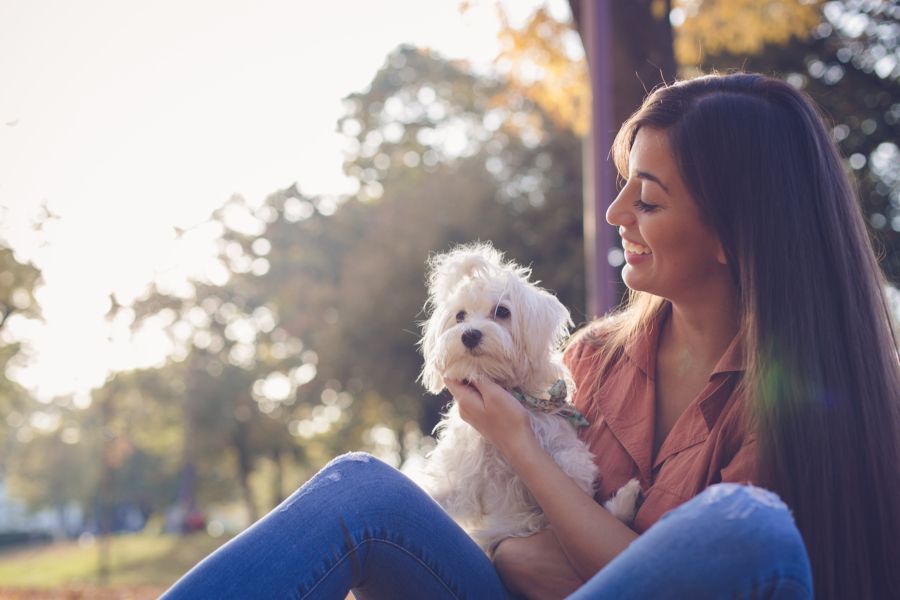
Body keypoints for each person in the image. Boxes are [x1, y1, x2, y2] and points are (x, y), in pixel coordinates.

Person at [161, 73, 900, 599]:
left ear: (735, 235)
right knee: (361, 488)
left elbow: (682, 578)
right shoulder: (588, 360)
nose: (615, 214)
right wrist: (529, 552)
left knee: (749, 526)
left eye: (646, 197)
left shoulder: (808, 409)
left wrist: (519, 443)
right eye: (621, 185)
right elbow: (537, 551)